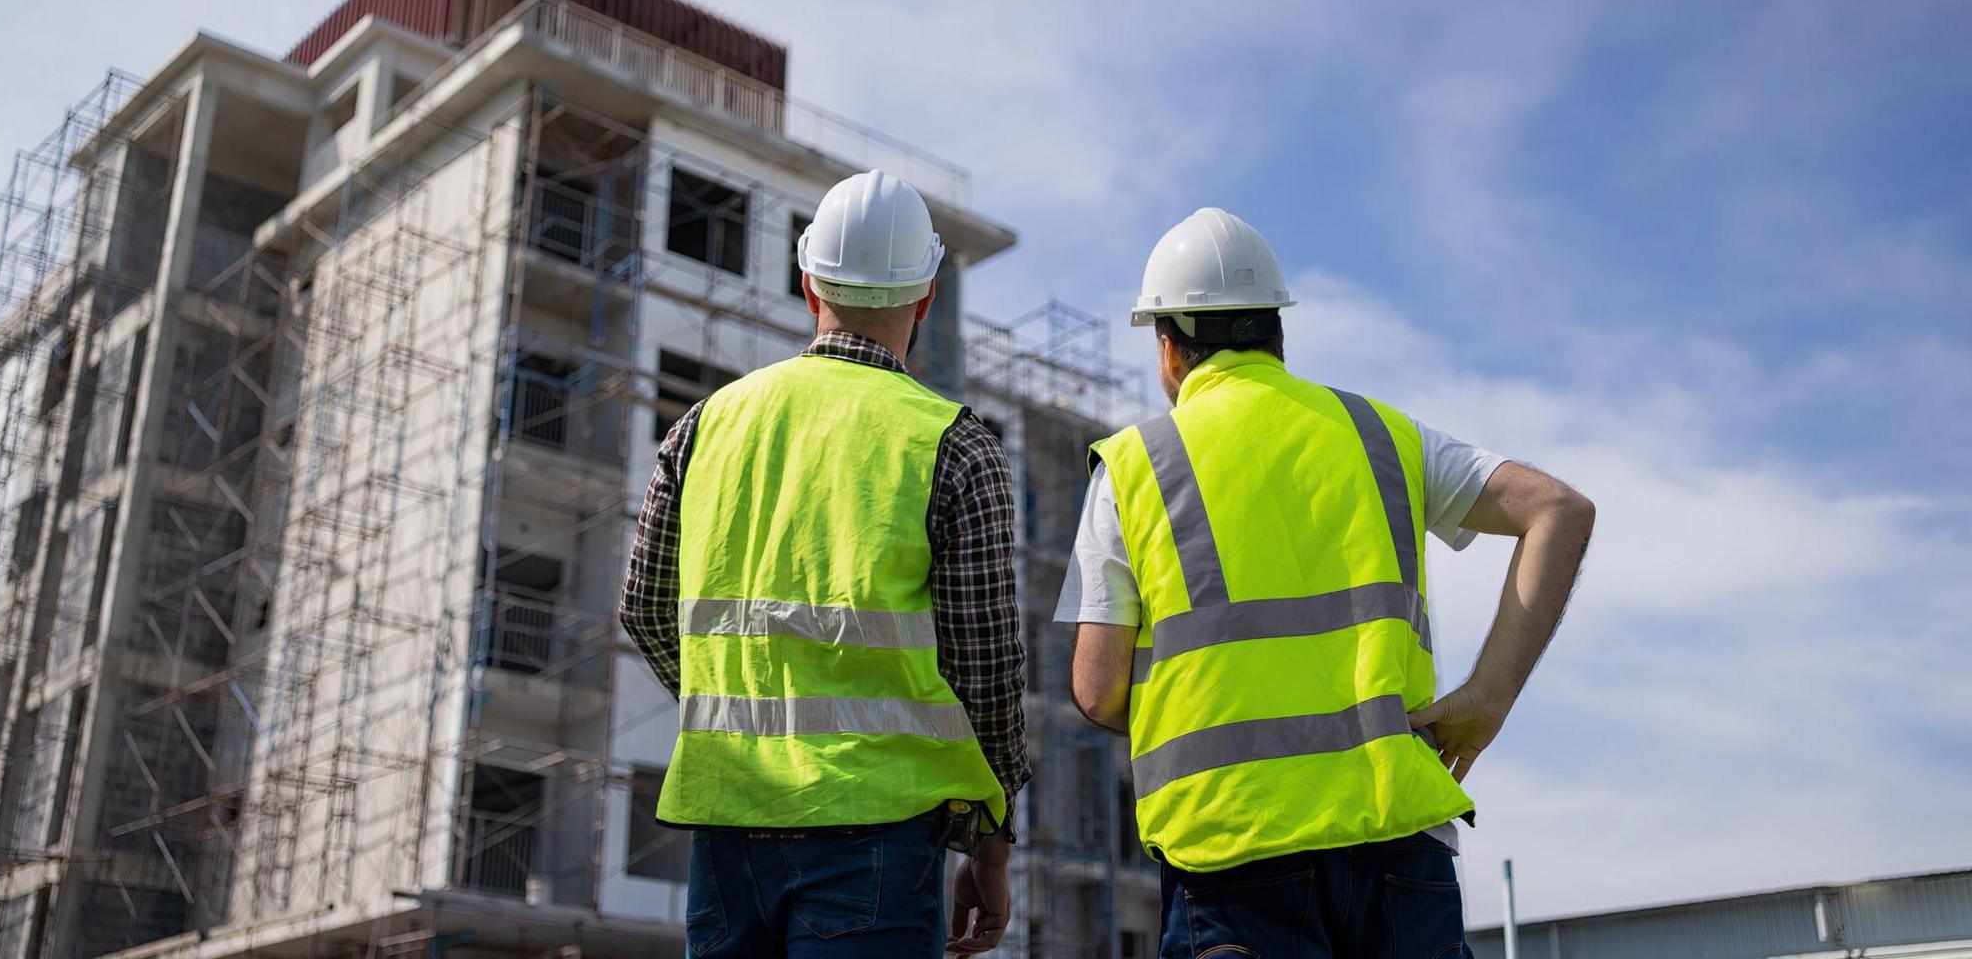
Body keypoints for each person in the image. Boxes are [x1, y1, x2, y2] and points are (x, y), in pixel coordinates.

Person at [1059, 207, 1595, 958]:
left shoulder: (1133, 467)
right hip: (1398, 846)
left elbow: (1096, 689)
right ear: (1277, 330)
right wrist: (1489, 695)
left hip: (1233, 854)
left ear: (1168, 347)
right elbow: (1559, 512)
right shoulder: (1382, 434)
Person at [620, 170, 1028, 956]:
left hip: (727, 818)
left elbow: (644, 607)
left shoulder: (704, 427)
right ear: (927, 297)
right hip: (878, 832)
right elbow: (986, 669)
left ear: (808, 285)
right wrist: (991, 840)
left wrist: (737, 703)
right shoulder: (956, 443)